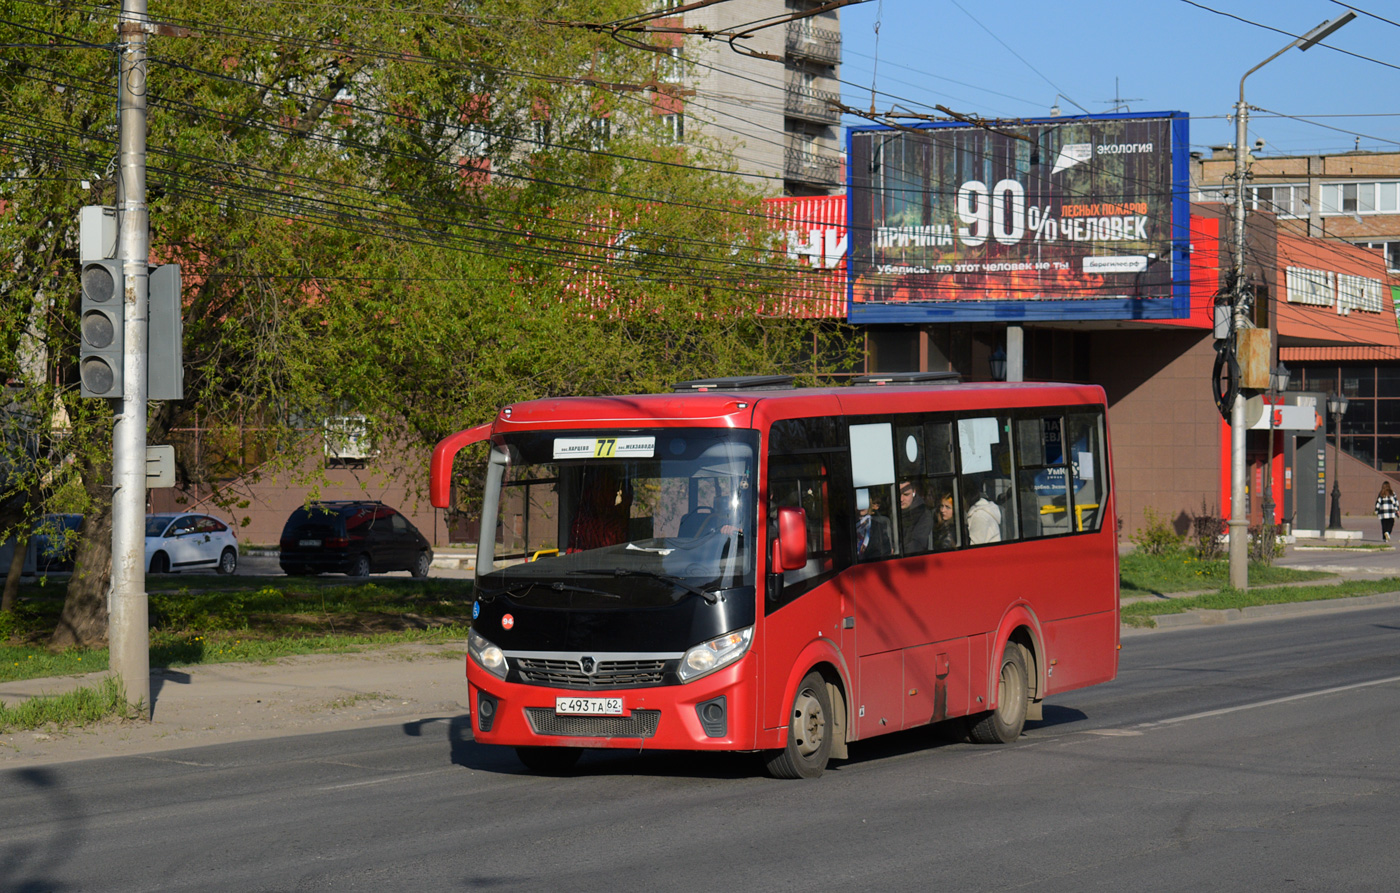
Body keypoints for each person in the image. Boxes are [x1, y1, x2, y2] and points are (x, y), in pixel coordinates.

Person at [898, 479, 934, 553]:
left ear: (914, 492)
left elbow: (917, 545)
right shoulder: (894, 511)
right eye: (898, 494)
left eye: (906, 494)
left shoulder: (924, 514)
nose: (901, 499)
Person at [855, 492, 891, 560]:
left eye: (864, 502)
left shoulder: (878, 526)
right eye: (859, 502)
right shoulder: (846, 526)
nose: (862, 505)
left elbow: (885, 550)